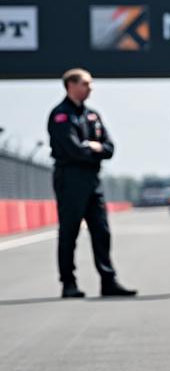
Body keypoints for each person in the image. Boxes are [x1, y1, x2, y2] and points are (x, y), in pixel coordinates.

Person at [47, 68, 137, 298]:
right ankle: (68, 282)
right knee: (70, 231)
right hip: (70, 178)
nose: (90, 88)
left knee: (101, 231)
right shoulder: (61, 115)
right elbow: (73, 150)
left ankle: (108, 281)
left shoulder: (92, 115)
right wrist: (93, 149)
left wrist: (92, 147)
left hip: (92, 179)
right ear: (71, 85)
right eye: (85, 84)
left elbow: (109, 148)